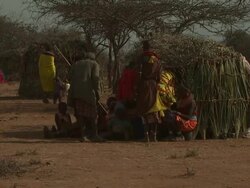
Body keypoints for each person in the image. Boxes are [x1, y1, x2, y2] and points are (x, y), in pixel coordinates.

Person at [68, 52, 102, 142]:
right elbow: (96, 79)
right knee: (93, 115)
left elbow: (69, 77)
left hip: (76, 93)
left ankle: (83, 136)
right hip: (88, 94)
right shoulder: (94, 64)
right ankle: (95, 135)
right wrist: (98, 92)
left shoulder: (76, 64)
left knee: (81, 115)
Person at [136, 40, 162, 142]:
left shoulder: (142, 58)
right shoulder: (157, 59)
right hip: (154, 85)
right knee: (155, 109)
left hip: (144, 85)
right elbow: (159, 75)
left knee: (144, 109)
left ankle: (146, 135)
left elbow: (139, 73)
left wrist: (136, 86)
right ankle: (154, 135)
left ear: (143, 47)